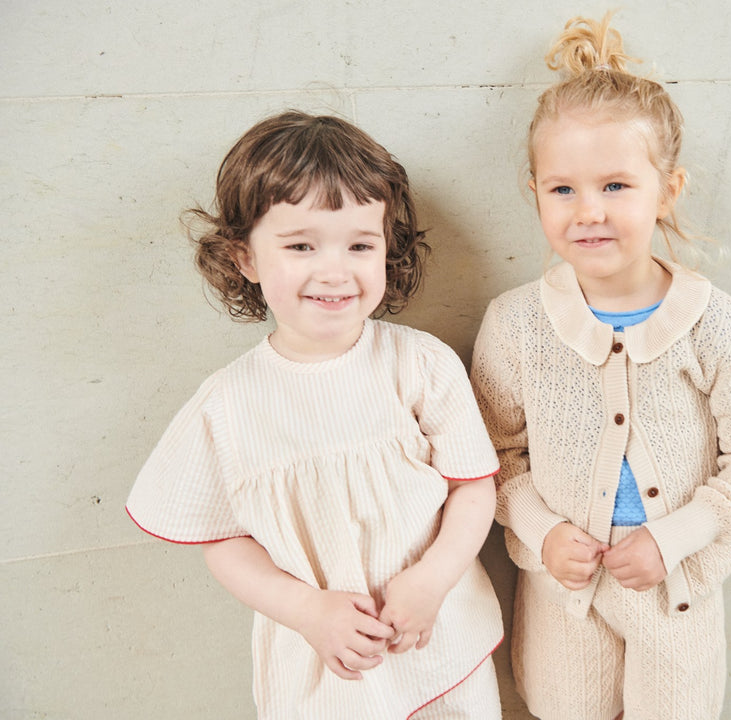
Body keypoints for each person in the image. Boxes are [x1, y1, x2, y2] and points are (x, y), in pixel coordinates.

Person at [470, 14, 731, 720]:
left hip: (676, 587)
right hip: (564, 592)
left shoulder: (718, 326)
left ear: (669, 188)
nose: (588, 211)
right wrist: (542, 530)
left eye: (616, 185)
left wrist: (672, 538)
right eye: (562, 190)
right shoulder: (516, 325)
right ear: (535, 194)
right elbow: (492, 456)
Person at [126, 111, 503, 719]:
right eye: (301, 245)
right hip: (327, 664)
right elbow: (225, 541)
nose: (335, 270)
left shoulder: (420, 364)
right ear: (244, 257)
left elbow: (474, 486)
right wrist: (306, 611)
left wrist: (432, 579)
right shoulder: (227, 404)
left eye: (359, 245)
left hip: (435, 634)